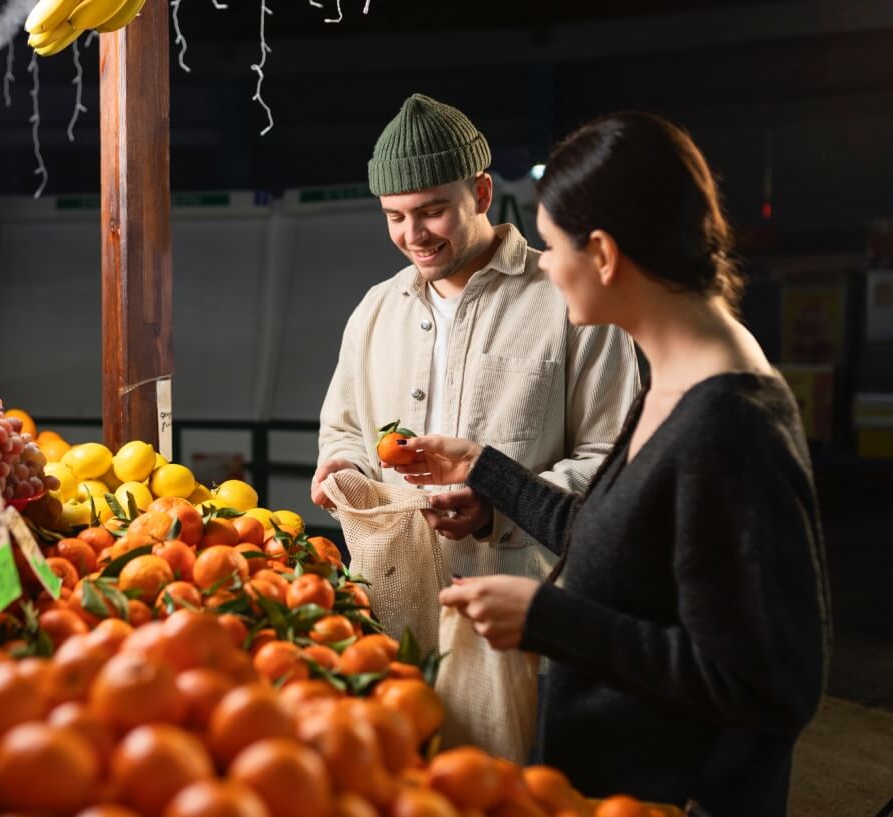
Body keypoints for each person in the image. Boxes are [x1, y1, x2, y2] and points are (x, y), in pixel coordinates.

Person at [394, 112, 832, 816]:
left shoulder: (728, 422)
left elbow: (767, 685)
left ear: (601, 253)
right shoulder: (675, 375)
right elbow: (618, 538)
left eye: (551, 244)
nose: (541, 261)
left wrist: (548, 619)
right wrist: (487, 468)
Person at [312, 93, 641, 590]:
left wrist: (498, 508)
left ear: (482, 193)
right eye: (394, 216)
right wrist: (344, 465)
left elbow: (613, 457)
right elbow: (344, 430)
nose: (413, 235)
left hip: (527, 614)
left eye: (432, 211)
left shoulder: (573, 301)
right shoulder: (374, 310)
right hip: (389, 606)